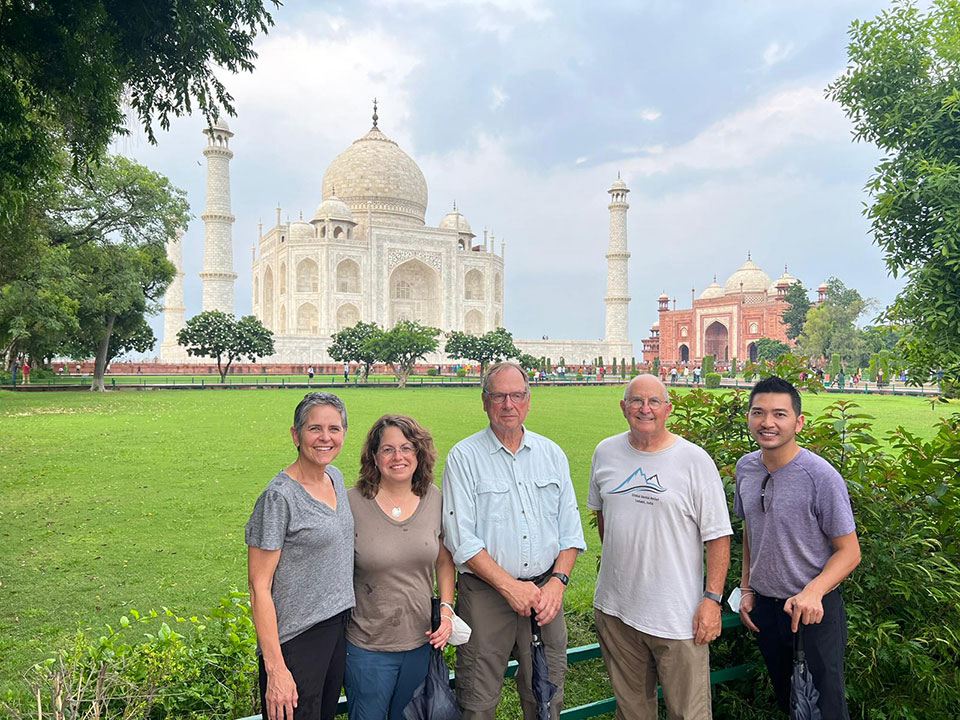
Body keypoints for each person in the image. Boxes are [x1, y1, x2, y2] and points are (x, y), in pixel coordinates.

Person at [442, 362, 586, 719]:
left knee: (547, 696)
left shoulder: (550, 454)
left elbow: (570, 532)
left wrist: (558, 583)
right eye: (499, 396)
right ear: (484, 401)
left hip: (545, 593)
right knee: (478, 698)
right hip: (487, 595)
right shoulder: (464, 457)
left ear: (528, 399)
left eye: (517, 395)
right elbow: (462, 540)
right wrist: (510, 587)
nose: (509, 404)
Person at [588, 374, 732, 719]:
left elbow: (718, 536)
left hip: (677, 617)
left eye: (654, 402)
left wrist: (712, 601)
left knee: (689, 714)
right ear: (623, 407)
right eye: (636, 401)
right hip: (617, 611)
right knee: (633, 712)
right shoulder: (605, 452)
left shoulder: (693, 460)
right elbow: (605, 518)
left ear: (668, 409)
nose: (645, 409)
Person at [735, 377, 861, 718]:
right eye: (758, 413)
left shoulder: (820, 476)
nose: (768, 423)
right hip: (766, 610)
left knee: (825, 708)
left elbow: (849, 551)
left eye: (779, 414)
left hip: (812, 611)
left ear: (798, 422)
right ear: (748, 418)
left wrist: (814, 592)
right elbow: (751, 528)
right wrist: (747, 586)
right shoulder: (745, 468)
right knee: (789, 702)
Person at [246, 392, 355, 720]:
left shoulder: (335, 478)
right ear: (296, 435)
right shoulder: (279, 498)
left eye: (334, 429)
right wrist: (276, 669)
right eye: (314, 429)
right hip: (296, 641)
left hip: (335, 630)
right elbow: (258, 587)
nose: (325, 438)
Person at [344, 415, 456, 718]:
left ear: (419, 454)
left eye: (407, 448)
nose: (398, 457)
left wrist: (446, 610)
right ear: (374, 457)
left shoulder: (434, 499)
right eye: (388, 449)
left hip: (421, 644)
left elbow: (444, 560)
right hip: (367, 649)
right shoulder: (351, 503)